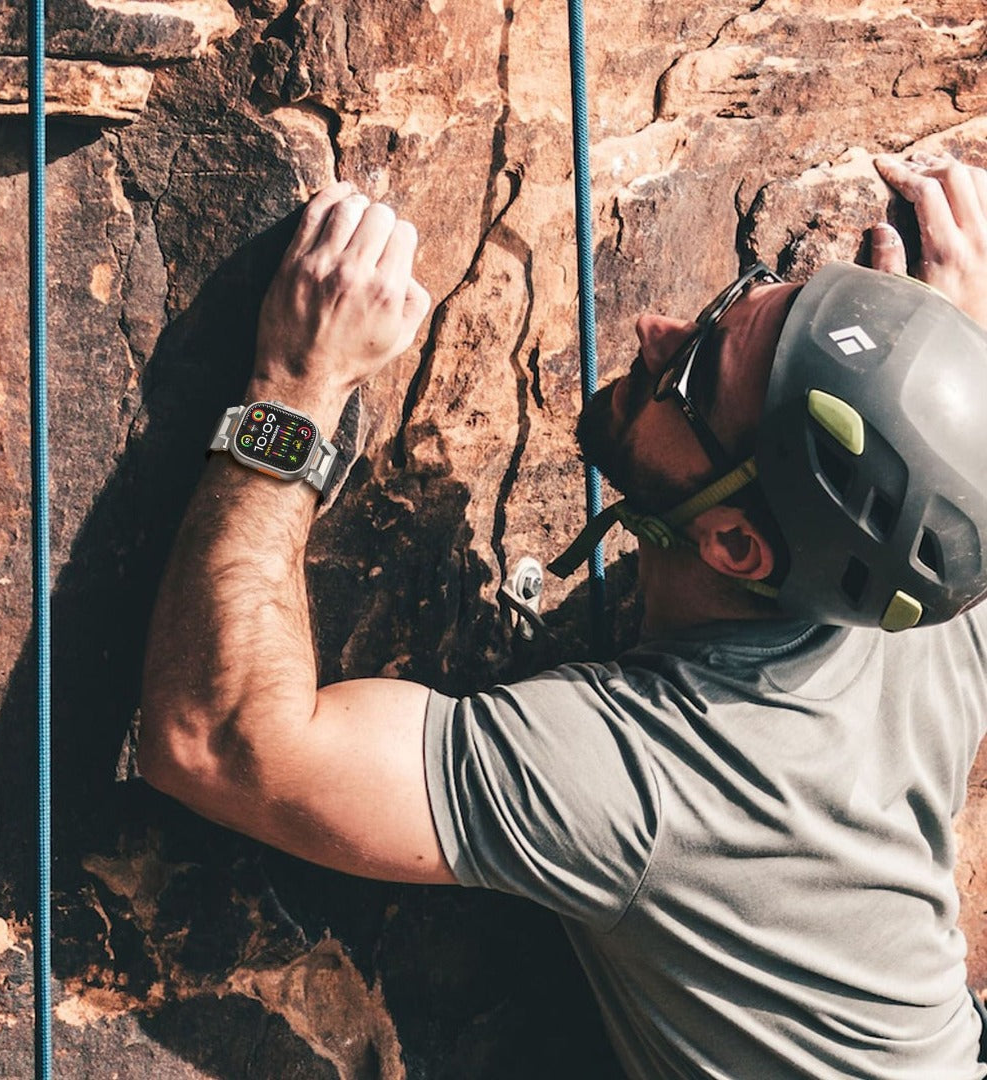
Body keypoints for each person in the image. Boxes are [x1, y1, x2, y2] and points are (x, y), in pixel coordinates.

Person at [138, 150, 987, 1078]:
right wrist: (939, 369)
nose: (656, 330)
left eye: (694, 371)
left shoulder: (654, 780)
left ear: (736, 547)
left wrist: (294, 389)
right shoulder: (930, 585)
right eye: (732, 301)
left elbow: (219, 743)